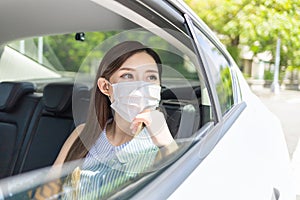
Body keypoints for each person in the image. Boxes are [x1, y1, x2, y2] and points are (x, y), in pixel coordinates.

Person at [40, 41, 178, 199]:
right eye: (128, 75)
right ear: (106, 87)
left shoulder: (162, 149)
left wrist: (168, 145)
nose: (141, 86)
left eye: (151, 77)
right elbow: (46, 193)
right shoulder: (82, 133)